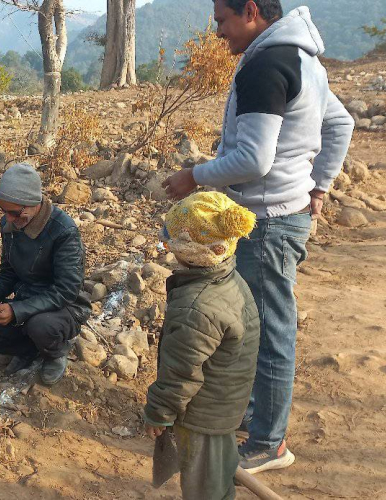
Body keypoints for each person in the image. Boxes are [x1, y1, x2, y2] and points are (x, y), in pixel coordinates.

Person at [163, 1, 354, 473]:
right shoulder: (302, 58)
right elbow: (340, 123)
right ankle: (258, 416)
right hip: (280, 214)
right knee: (256, 324)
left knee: (269, 332)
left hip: (265, 223)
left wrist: (195, 175)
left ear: (250, 11)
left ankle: (269, 442)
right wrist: (319, 186)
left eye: (222, 20)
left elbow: (253, 161)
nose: (218, 32)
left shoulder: (268, 64)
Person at [144, 192, 260, 500]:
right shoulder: (228, 278)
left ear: (190, 250)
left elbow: (181, 373)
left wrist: (159, 412)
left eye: (170, 242)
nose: (166, 246)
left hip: (201, 415)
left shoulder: (196, 307)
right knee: (218, 470)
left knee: (203, 487)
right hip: (224, 403)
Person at [0, 164, 91, 386]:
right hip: (25, 301)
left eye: (14, 212)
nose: (8, 219)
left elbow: (67, 290)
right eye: (3, 211)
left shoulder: (64, 231)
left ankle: (56, 352)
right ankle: (31, 350)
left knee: (40, 326)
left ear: (34, 204)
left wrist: (16, 310)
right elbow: (9, 272)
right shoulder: (10, 223)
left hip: (62, 308)